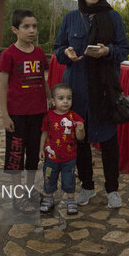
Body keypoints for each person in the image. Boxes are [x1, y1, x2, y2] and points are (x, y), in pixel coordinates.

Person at [53, 0, 129, 209]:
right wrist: (65, 53)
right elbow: (57, 49)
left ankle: (113, 190)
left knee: (108, 141)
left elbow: (124, 49)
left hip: (104, 90)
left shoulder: (113, 17)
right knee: (81, 140)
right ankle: (86, 186)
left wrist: (108, 51)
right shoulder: (70, 18)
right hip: (77, 91)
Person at [0, 9, 51, 214]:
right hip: (16, 116)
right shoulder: (8, 55)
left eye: (34, 26)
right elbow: (2, 86)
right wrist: (5, 115)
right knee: (15, 155)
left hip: (38, 114)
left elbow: (42, 80)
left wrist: (50, 98)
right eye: (26, 27)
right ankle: (17, 194)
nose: (31, 31)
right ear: (15, 29)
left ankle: (30, 189)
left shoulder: (38, 53)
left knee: (32, 156)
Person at [38, 83, 85, 215]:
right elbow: (44, 133)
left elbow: (80, 138)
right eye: (61, 98)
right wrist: (41, 149)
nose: (65, 101)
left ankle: (71, 200)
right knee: (49, 177)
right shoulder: (49, 116)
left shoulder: (74, 117)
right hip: (50, 157)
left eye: (68, 98)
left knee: (69, 179)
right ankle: (48, 198)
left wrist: (80, 130)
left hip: (69, 158)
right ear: (53, 101)